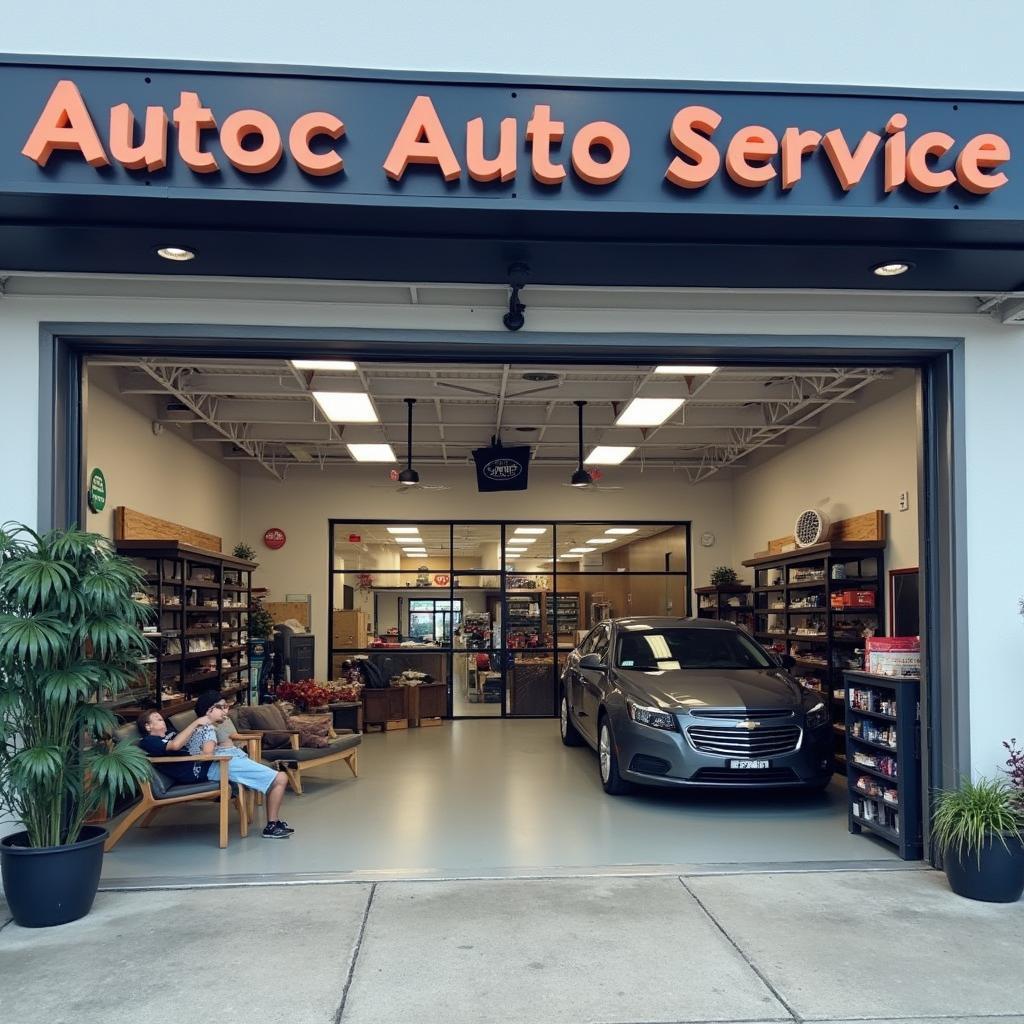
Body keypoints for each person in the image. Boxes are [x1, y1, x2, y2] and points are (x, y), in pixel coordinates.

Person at [136, 695, 293, 839]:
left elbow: (189, 742)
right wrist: (199, 722)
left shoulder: (169, 733)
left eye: (162, 718)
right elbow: (177, 746)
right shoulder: (149, 741)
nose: (162, 720)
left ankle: (274, 822)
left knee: (278, 777)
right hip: (206, 768)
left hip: (212, 761)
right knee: (280, 778)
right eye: (157, 719)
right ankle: (272, 826)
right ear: (148, 726)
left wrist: (206, 729)